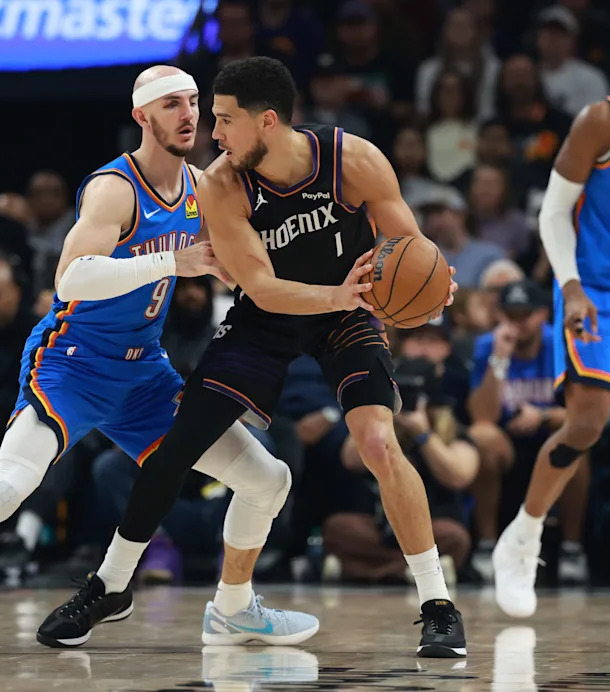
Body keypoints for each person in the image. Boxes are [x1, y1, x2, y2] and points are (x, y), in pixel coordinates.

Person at [0, 65, 316, 653]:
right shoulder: (115, 187)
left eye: (193, 102)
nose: (188, 114)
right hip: (71, 365)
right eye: (170, 104)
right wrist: (173, 262)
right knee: (8, 487)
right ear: (141, 116)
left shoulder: (203, 187)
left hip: (144, 375)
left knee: (268, 479)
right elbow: (72, 278)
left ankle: (234, 609)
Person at [43, 57, 465, 658]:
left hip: (344, 316)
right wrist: (339, 293)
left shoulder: (354, 160)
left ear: (266, 122)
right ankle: (108, 586)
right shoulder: (221, 184)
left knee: (378, 441)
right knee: (177, 447)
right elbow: (262, 288)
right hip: (268, 318)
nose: (213, 134)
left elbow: (409, 250)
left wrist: (434, 285)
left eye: (224, 120)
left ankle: (438, 605)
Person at [493, 15, 610, 622]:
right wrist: (570, 288)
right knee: (588, 422)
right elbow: (553, 215)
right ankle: (523, 539)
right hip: (592, 288)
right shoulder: (604, 119)